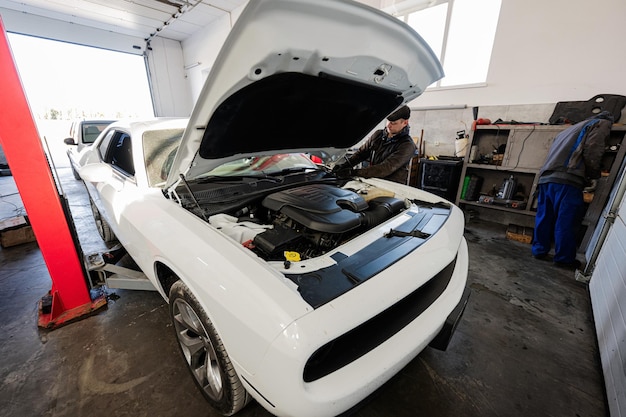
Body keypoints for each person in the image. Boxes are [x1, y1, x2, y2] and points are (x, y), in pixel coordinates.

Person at [532, 111, 614, 268]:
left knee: (544, 217)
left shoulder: (570, 129)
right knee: (566, 221)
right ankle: (564, 258)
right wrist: (594, 175)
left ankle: (539, 250)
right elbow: (593, 149)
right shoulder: (601, 124)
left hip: (546, 178)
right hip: (568, 179)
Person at [332, 105, 416, 184]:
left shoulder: (407, 146)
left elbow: (385, 168)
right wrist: (344, 166)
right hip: (373, 181)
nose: (388, 125)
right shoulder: (378, 135)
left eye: (393, 123)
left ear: (405, 123)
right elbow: (361, 154)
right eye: (388, 121)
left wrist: (353, 172)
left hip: (392, 187)